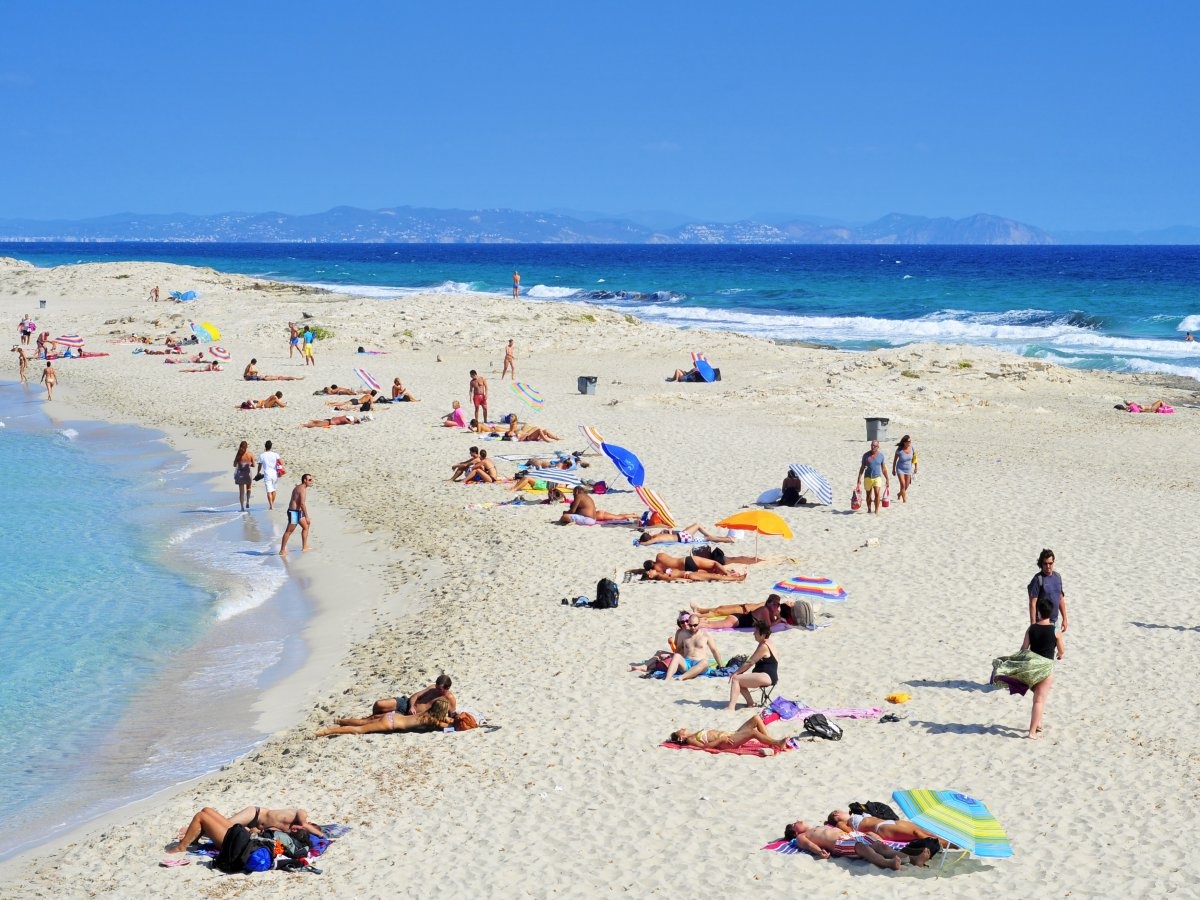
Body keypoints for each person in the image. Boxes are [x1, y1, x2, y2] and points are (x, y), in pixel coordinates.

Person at [992, 597, 1065, 739]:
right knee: (1040, 700)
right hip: (1046, 668)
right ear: (1050, 613)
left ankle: (1038, 724)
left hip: (1031, 668)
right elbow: (1062, 650)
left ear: (1038, 612)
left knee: (1037, 698)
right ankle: (1032, 732)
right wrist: (1060, 655)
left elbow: (1024, 649)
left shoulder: (1031, 629)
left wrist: (1015, 664)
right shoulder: (1055, 630)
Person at [167, 805, 324, 853]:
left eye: (301, 829)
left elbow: (265, 839)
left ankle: (181, 847)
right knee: (207, 810)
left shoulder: (286, 837)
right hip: (243, 834)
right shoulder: (300, 818)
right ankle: (193, 838)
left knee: (201, 816)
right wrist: (322, 834)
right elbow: (265, 836)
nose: (299, 827)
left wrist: (255, 832)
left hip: (237, 843)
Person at [781, 821, 909, 869]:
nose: (798, 820)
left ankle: (911, 858)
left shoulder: (817, 827)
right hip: (838, 843)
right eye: (795, 824)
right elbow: (809, 845)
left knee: (882, 846)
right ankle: (886, 863)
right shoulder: (801, 837)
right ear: (795, 832)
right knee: (863, 848)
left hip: (851, 836)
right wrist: (819, 852)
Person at [315, 696, 467, 736]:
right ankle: (328, 731)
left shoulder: (428, 713)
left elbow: (446, 719)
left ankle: (340, 721)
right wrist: (458, 724)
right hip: (391, 724)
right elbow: (448, 727)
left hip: (393, 716)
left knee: (363, 721)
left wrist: (454, 718)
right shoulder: (433, 721)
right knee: (360, 730)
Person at [667, 711, 795, 755]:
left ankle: (771, 743)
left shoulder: (694, 734)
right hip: (726, 742)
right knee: (753, 732)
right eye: (680, 730)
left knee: (756, 718)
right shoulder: (690, 739)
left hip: (730, 734)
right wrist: (721, 740)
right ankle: (777, 743)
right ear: (681, 737)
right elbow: (705, 747)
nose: (682, 728)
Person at [727, 619, 779, 711]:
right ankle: (750, 703)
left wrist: (736, 672)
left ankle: (731, 707)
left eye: (756, 632)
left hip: (766, 676)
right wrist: (740, 672)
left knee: (735, 679)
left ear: (763, 634)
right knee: (740, 679)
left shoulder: (764, 646)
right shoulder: (769, 642)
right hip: (771, 676)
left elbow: (750, 662)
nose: (754, 634)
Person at [692, 593, 811, 629]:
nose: (777, 606)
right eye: (775, 604)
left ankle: (698, 616)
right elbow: (768, 625)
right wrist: (779, 620)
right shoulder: (765, 609)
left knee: (718, 613)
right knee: (716, 618)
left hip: (742, 614)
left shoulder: (771, 610)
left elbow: (770, 621)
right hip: (740, 616)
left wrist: (778, 617)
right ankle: (696, 619)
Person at [359, 675, 456, 718]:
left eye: (440, 689)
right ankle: (371, 717)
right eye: (436, 687)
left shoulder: (449, 699)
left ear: (447, 688)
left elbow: (452, 716)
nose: (436, 690)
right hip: (407, 704)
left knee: (380, 718)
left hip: (414, 718)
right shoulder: (432, 688)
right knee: (379, 704)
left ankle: (370, 720)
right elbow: (415, 696)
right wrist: (411, 707)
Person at [664, 613, 724, 681]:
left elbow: (714, 651)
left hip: (699, 664)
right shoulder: (683, 634)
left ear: (699, 623)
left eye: (695, 625)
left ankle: (682, 677)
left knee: (705, 662)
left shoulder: (706, 635)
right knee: (677, 656)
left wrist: (721, 666)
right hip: (687, 663)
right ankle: (667, 678)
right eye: (690, 625)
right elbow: (678, 650)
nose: (693, 627)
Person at [826, 810, 941, 844]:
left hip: (889, 822)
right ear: (836, 814)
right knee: (917, 833)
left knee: (923, 831)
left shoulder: (855, 816)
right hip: (880, 828)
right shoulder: (841, 823)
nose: (845, 811)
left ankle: (948, 842)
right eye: (841, 811)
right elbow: (852, 832)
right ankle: (948, 845)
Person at [1028, 548, 1068, 634]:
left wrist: (1065, 619)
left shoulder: (1057, 577)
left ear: (1054, 562)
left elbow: (1060, 598)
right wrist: (1033, 625)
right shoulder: (1037, 579)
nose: (1048, 566)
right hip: (1041, 623)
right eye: (1045, 563)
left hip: (1055, 622)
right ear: (1041, 564)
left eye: (1050, 563)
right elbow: (1032, 603)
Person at [558, 486, 638, 525]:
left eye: (573, 493)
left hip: (589, 519)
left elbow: (572, 511)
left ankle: (632, 515)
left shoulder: (579, 496)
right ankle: (632, 515)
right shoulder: (587, 497)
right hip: (596, 516)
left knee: (564, 517)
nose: (573, 495)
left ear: (576, 492)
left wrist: (566, 512)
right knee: (617, 516)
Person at [279, 474, 314, 554]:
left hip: (298, 512)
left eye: (311, 480)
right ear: (304, 480)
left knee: (306, 526)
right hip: (294, 513)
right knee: (289, 531)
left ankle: (304, 546)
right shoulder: (302, 489)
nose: (311, 481)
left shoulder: (300, 487)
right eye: (309, 480)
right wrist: (307, 516)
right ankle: (282, 550)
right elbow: (302, 504)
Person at [855, 439, 890, 513]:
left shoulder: (881, 456)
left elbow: (883, 469)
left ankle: (876, 510)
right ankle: (869, 509)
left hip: (877, 477)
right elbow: (862, 467)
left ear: (878, 447)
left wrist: (887, 478)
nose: (872, 447)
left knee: (877, 493)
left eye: (874, 446)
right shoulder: (866, 455)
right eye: (871, 445)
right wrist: (859, 478)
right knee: (868, 495)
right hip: (867, 477)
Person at [651, 548, 731, 576]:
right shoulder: (659, 556)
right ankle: (727, 573)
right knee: (714, 563)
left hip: (686, 570)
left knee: (711, 571)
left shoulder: (658, 570)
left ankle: (726, 573)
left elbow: (667, 573)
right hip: (686, 560)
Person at [636, 522, 734, 545]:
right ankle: (727, 539)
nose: (650, 531)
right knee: (699, 527)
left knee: (705, 535)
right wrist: (642, 543)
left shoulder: (659, 535)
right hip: (682, 537)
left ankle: (726, 539)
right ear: (650, 536)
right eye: (649, 532)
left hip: (682, 536)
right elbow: (648, 542)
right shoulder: (657, 538)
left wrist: (639, 541)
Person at [256, 440, 282, 510]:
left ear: (265, 446)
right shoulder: (275, 454)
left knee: (269, 490)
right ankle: (272, 504)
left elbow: (259, 465)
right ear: (271, 446)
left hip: (267, 474)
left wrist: (258, 472)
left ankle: (271, 505)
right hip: (275, 474)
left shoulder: (262, 455)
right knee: (274, 490)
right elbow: (281, 462)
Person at [892, 434, 917, 503]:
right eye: (908, 441)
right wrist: (893, 469)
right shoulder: (899, 450)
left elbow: (915, 458)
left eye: (910, 441)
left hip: (908, 469)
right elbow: (895, 460)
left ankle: (899, 494)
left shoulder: (912, 448)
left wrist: (916, 467)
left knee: (906, 485)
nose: (910, 443)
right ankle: (904, 500)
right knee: (902, 484)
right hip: (900, 469)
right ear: (904, 442)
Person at [233, 441, 255, 511]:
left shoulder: (239, 455)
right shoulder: (250, 454)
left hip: (240, 475)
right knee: (249, 488)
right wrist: (249, 464)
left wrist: (238, 459)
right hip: (248, 474)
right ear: (246, 447)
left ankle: (242, 507)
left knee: (241, 492)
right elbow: (254, 465)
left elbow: (234, 464)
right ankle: (248, 501)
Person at [300, 414, 370, 428]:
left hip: (329, 419)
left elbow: (353, 418)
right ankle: (304, 425)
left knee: (319, 422)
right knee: (316, 425)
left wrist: (357, 420)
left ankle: (312, 421)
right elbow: (351, 423)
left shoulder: (345, 416)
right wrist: (357, 422)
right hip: (329, 422)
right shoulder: (346, 420)